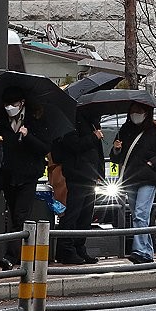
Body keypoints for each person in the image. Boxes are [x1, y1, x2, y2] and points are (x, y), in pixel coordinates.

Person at [0, 86, 55, 270]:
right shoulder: (0, 121)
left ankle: (10, 256)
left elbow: (44, 147)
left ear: (22, 103)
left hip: (28, 175)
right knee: (13, 215)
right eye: (6, 104)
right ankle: (19, 254)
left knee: (21, 215)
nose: (9, 107)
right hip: (9, 175)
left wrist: (28, 137)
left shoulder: (36, 119)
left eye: (13, 104)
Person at [109, 101, 156, 264]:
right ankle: (146, 251)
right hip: (131, 178)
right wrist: (116, 149)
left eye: (139, 111)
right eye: (132, 111)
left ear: (147, 112)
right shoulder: (125, 131)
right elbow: (116, 158)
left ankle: (140, 250)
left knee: (140, 213)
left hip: (148, 178)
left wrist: (153, 163)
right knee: (138, 215)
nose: (135, 114)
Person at [51, 113, 104, 264]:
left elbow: (96, 152)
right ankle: (66, 249)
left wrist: (100, 172)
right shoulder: (71, 121)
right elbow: (74, 144)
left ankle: (79, 247)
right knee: (73, 214)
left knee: (85, 216)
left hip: (89, 175)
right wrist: (94, 137)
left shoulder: (92, 121)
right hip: (77, 174)